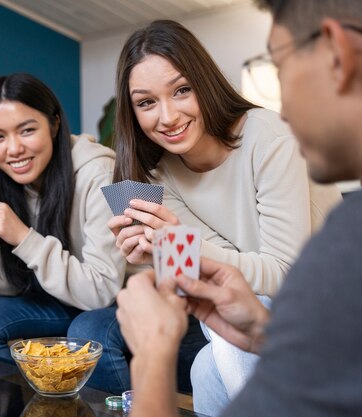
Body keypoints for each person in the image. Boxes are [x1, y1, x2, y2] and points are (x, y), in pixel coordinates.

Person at [116, 0, 362, 415]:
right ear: (133, 111)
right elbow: (201, 275)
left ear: (204, 82)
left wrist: (179, 243)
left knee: (222, 350)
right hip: (244, 311)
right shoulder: (160, 176)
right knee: (205, 367)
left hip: (306, 301)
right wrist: (157, 253)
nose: (168, 116)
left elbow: (282, 274)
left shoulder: (268, 135)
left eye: (181, 90)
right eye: (146, 103)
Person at [0, 73, 126, 384]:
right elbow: (8, 288)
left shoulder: (101, 173)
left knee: (87, 330)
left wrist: (22, 236)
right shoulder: (3, 182)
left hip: (115, 301)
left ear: (55, 124)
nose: (14, 149)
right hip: (61, 299)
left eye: (27, 130)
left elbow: (102, 293)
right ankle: (15, 406)